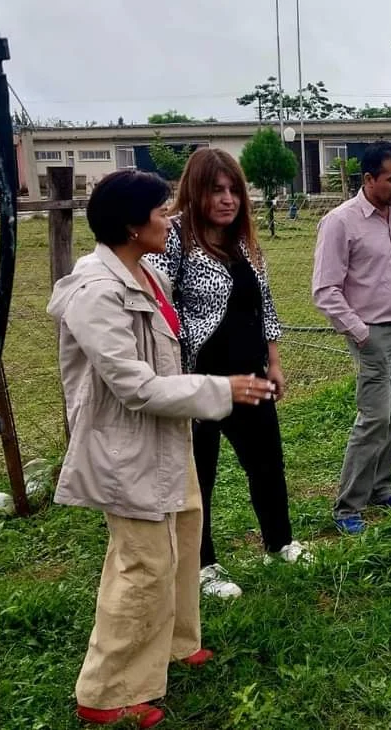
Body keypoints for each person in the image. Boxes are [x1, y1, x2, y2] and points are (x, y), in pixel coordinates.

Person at [48, 169, 275, 728]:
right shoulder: (96, 294)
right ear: (131, 225)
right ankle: (106, 692)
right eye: (161, 212)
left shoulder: (145, 273)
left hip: (165, 440)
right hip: (125, 449)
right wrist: (223, 389)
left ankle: (175, 643)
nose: (170, 220)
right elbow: (135, 386)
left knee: (183, 538)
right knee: (142, 565)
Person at [146, 148, 305, 600]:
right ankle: (204, 564)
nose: (228, 199)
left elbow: (266, 305)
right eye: (216, 190)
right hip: (198, 379)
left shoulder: (245, 241)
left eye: (234, 190)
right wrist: (177, 373)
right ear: (194, 191)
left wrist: (273, 362)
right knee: (200, 474)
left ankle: (279, 542)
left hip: (250, 376)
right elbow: (160, 305)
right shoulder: (174, 237)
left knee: (267, 463)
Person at [312, 142, 391, 535]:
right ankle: (348, 507)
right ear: (369, 179)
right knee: (373, 418)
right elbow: (325, 289)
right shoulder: (341, 222)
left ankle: (381, 488)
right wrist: (361, 333)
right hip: (372, 334)